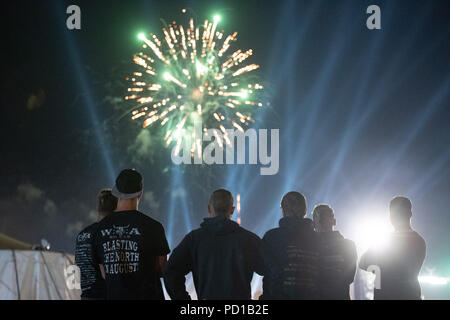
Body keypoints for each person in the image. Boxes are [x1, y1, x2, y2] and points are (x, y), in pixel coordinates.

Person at [163, 189, 265, 300]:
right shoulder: (249, 239)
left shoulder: (194, 239)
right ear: (232, 210)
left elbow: (171, 271)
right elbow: (267, 269)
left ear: (209, 209)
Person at [92, 169, 170, 300]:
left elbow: (103, 272)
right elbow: (162, 267)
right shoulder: (154, 227)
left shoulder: (99, 229)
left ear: (115, 192)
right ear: (140, 193)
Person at [359, 196, 426, 300]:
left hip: (386, 294)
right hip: (410, 294)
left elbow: (363, 263)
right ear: (410, 214)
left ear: (391, 217)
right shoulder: (420, 241)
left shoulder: (385, 241)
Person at [260, 191, 320, 299]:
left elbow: (260, 268)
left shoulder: (271, 237)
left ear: (283, 210)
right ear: (305, 210)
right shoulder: (319, 239)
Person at [75, 189, 117, 299]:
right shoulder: (106, 234)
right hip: (103, 295)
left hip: (86, 295)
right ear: (116, 209)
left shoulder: (82, 234)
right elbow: (106, 273)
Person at [312, 204, 357, 300]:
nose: (322, 222)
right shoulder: (349, 245)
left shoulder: (308, 246)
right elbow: (348, 277)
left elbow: (349, 277)